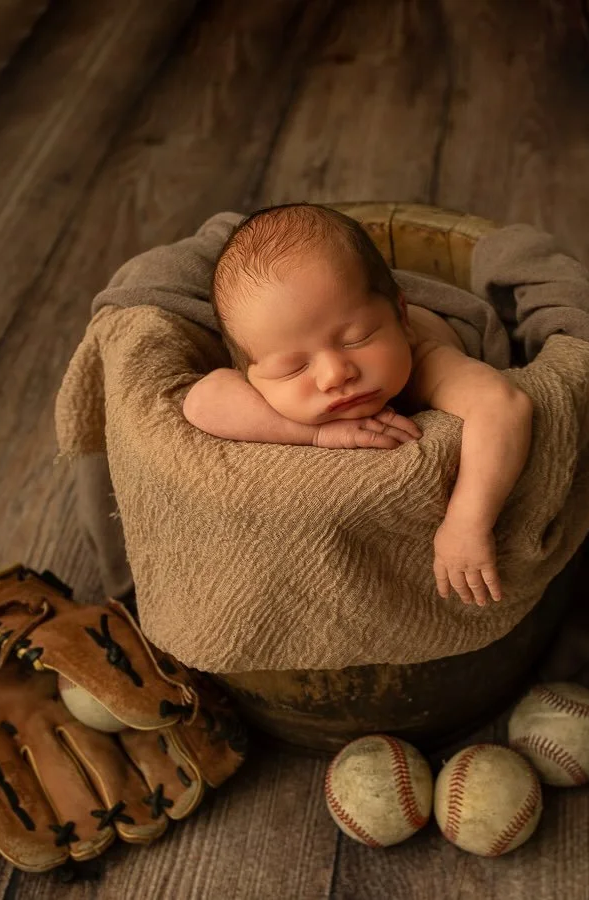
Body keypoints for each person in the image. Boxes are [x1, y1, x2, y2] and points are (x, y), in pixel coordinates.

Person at [182, 203, 533, 610]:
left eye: (357, 338)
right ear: (252, 372)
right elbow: (201, 402)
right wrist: (317, 433)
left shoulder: (423, 358)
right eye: (294, 367)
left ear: (400, 317)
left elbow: (503, 406)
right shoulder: (260, 373)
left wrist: (467, 522)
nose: (335, 374)